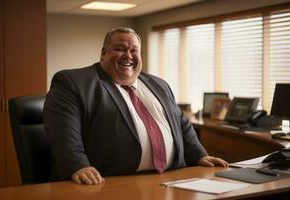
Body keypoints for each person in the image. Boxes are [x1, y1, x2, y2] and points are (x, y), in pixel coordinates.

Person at [43, 27, 228, 185]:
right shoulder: (74, 82)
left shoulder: (159, 84)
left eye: (134, 50)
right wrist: (78, 165)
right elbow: (63, 131)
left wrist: (199, 155)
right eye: (120, 49)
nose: (128, 56)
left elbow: (181, 123)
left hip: (170, 180)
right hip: (107, 183)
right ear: (103, 53)